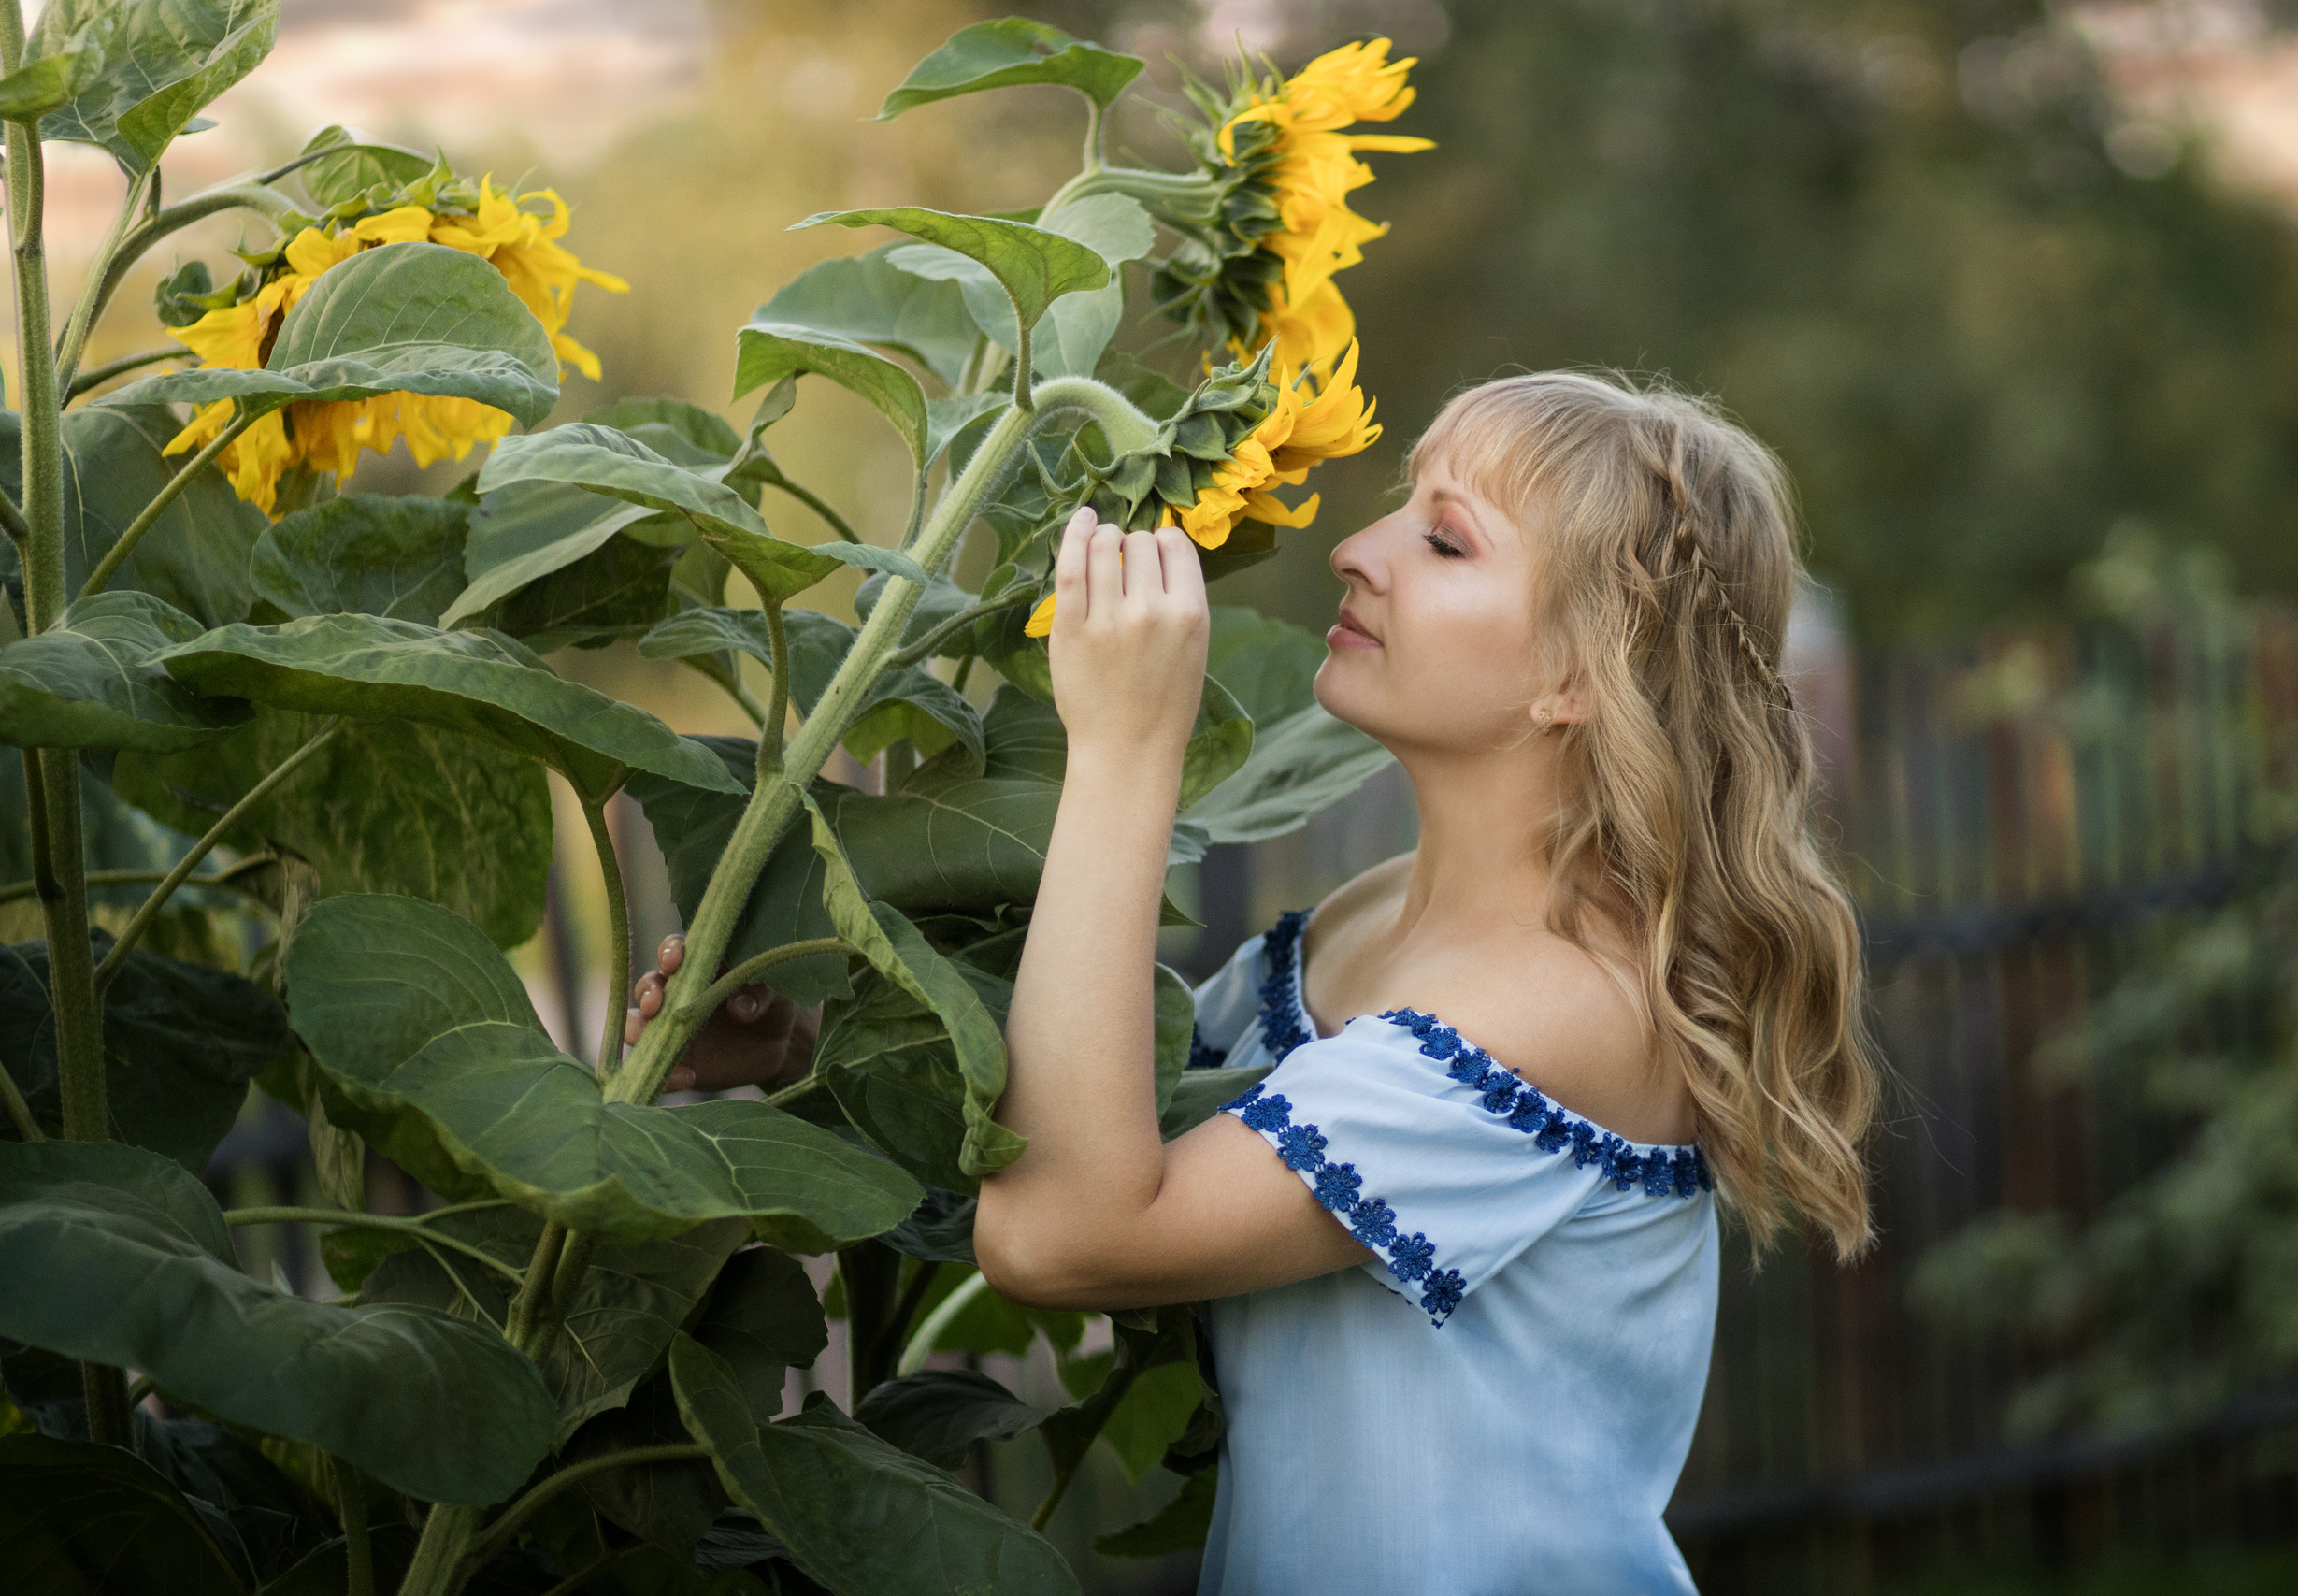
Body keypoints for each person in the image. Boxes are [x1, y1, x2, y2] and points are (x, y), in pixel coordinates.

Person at [630, 369, 1879, 1594]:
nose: (1358, 548)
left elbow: (1064, 1230)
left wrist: (1123, 752)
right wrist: (813, 1053)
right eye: (1405, 500)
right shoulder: (1370, 916)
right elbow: (1094, 1122)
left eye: (1445, 542)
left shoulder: (1562, 1008)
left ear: (1576, 675)